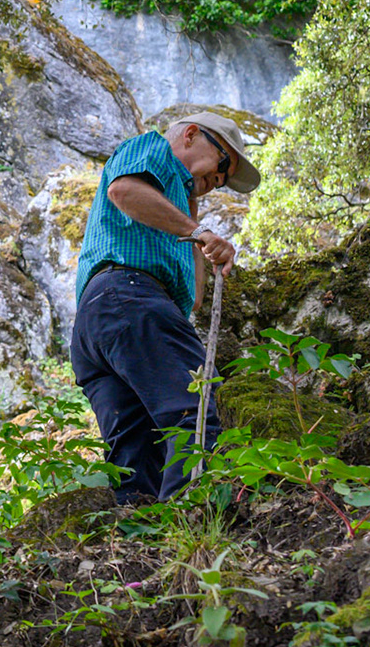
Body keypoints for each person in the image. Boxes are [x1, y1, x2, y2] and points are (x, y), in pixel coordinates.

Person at [70, 112, 259, 502]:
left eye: (221, 182)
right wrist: (197, 231)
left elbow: (193, 299)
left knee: (136, 451)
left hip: (100, 323)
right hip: (130, 298)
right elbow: (123, 191)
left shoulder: (177, 208)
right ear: (191, 134)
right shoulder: (153, 149)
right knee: (198, 410)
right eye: (220, 165)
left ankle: (143, 543)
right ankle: (190, 526)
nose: (215, 182)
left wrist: (200, 238)